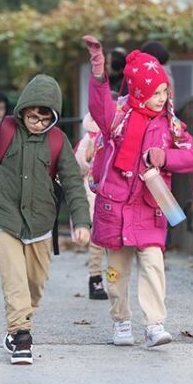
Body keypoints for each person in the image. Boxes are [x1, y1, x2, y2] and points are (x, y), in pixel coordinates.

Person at [0, 74, 91, 365]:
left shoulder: (58, 140)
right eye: (33, 116)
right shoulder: (5, 129)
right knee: (15, 279)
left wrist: (82, 221)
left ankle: (18, 322)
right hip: (4, 214)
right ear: (23, 110)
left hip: (41, 221)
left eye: (45, 119)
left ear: (53, 118)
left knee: (35, 283)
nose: (38, 123)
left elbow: (72, 182)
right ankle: (21, 336)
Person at [83, 35, 193, 348]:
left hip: (151, 206)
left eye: (164, 91)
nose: (161, 98)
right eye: (155, 92)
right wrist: (98, 69)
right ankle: (121, 320)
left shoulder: (169, 123)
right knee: (115, 272)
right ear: (138, 90)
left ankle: (154, 324)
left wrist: (167, 157)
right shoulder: (118, 119)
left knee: (152, 265)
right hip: (116, 207)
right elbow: (98, 106)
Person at [73, 112, 108, 300]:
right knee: (98, 238)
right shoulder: (88, 138)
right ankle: (95, 278)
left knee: (113, 244)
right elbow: (77, 165)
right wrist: (87, 158)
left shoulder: (119, 133)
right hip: (93, 192)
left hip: (115, 192)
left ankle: (113, 279)